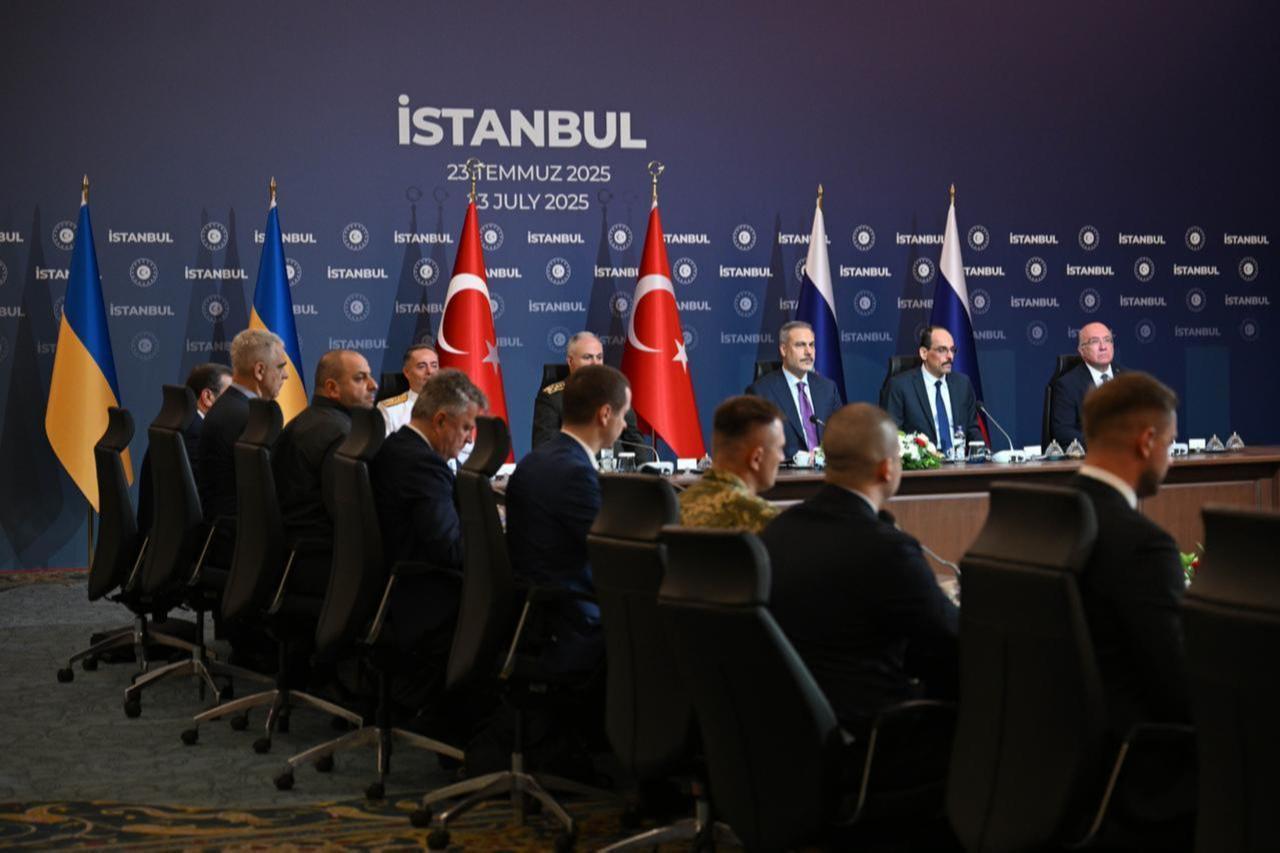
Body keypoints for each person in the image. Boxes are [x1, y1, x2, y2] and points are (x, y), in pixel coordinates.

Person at [761, 403, 958, 729]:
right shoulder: (888, 549)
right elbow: (952, 638)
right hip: (875, 736)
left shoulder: (777, 531)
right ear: (887, 469)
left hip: (789, 730)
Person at [1069, 372, 1193, 838]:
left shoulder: (1037, 515)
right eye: (1171, 443)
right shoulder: (1143, 545)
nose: (1171, 458)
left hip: (1050, 770)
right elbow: (1179, 692)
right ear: (1147, 441)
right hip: (1134, 779)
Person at [506, 364, 631, 674]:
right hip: (573, 625)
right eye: (623, 414)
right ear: (605, 414)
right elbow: (609, 557)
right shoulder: (576, 474)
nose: (625, 425)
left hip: (535, 617)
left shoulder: (535, 461)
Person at [372, 369, 485, 656]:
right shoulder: (423, 466)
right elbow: (451, 550)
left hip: (395, 587)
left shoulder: (395, 446)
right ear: (440, 421)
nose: (469, 440)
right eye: (466, 428)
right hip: (427, 600)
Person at [272, 349, 377, 596]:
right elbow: (346, 515)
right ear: (332, 388)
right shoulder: (342, 434)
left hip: (289, 560)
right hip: (323, 565)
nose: (373, 385)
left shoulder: (300, 422)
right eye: (360, 378)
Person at [198, 329, 288, 529]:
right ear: (259, 371)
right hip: (244, 533)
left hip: (224, 530)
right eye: (281, 367)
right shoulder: (252, 419)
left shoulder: (226, 406)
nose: (286, 375)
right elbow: (277, 485)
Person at [137, 362, 231, 534]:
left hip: (160, 536)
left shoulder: (181, 425)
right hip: (181, 538)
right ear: (207, 397)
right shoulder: (196, 434)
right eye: (229, 396)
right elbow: (206, 496)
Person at [531, 331, 650, 459]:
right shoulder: (552, 398)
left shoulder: (616, 393)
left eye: (599, 357)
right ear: (570, 361)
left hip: (617, 470)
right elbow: (545, 449)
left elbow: (636, 444)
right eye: (587, 357)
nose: (595, 363)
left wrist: (645, 468)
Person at [679, 395, 785, 532]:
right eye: (779, 448)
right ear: (756, 459)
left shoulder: (677, 507)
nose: (782, 458)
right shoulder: (765, 519)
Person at [745, 320, 842, 459]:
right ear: (783, 350)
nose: (808, 352)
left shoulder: (828, 389)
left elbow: (842, 436)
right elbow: (758, 443)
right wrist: (801, 458)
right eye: (800, 345)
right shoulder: (761, 392)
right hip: (787, 471)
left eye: (811, 345)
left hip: (827, 470)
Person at [883, 325, 982, 453]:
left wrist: (981, 452)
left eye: (952, 350)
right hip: (922, 463)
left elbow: (972, 429)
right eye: (942, 350)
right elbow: (893, 435)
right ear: (924, 353)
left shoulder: (962, 384)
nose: (950, 356)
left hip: (959, 461)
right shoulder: (900, 386)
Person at [1050, 322, 1124, 449]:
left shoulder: (1129, 378)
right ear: (1082, 351)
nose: (1103, 347)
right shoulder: (1067, 385)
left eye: (1107, 340)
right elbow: (1063, 431)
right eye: (1095, 341)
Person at [377, 341, 440, 436]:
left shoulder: (453, 406)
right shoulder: (390, 410)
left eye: (434, 366)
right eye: (421, 366)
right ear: (406, 372)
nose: (430, 371)